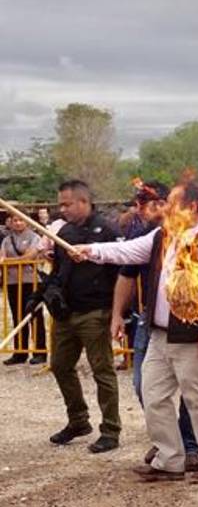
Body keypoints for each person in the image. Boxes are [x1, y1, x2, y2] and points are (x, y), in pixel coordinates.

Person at [75, 182, 198, 482]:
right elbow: (125, 251)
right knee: (152, 395)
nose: (165, 207)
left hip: (193, 336)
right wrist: (90, 251)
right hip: (159, 335)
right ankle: (169, 459)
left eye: (173, 202)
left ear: (193, 208)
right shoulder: (162, 236)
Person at [109, 181, 198, 470]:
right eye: (138, 204)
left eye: (147, 203)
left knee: (191, 389)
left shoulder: (194, 233)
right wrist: (116, 315)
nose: (140, 210)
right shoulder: (143, 234)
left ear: (166, 204)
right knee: (145, 387)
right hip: (150, 322)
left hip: (189, 324)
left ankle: (189, 446)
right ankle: (167, 442)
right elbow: (126, 274)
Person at [34, 180, 121, 453]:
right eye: (60, 204)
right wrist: (48, 290)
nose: (63, 209)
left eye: (67, 204)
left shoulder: (106, 230)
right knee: (60, 365)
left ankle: (110, 429)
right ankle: (78, 420)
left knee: (102, 371)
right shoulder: (65, 232)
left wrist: (119, 313)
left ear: (84, 201)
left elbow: (120, 270)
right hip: (66, 313)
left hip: (96, 311)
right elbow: (59, 270)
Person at [1, 216, 47, 365]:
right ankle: (20, 352)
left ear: (27, 221)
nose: (18, 223)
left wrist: (11, 261)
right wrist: (17, 260)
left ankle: (40, 351)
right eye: (15, 220)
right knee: (17, 316)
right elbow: (1, 258)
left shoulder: (35, 237)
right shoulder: (7, 240)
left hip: (31, 281)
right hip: (12, 282)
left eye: (21, 220)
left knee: (35, 316)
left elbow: (30, 256)